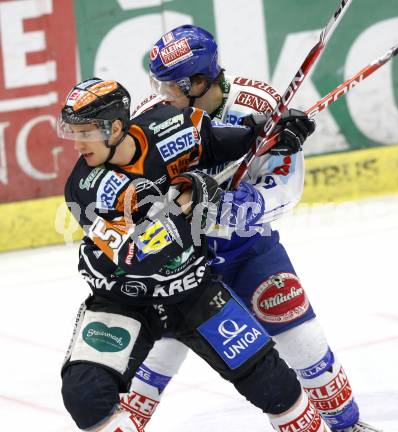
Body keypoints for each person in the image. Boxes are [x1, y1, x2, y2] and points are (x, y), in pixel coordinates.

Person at [119, 25, 382, 432]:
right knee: (153, 363)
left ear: (200, 81)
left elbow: (285, 187)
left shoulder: (262, 106)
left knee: (305, 343)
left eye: (171, 85)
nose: (161, 92)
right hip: (179, 262)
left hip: (246, 250)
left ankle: (347, 426)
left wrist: (249, 204)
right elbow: (128, 181)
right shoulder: (154, 116)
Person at [58, 77, 329, 431]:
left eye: (86, 133)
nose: (77, 145)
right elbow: (135, 256)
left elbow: (217, 145)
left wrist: (271, 133)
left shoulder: (168, 127)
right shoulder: (86, 188)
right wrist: (190, 206)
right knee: (85, 394)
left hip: (191, 289)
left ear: (117, 128)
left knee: (275, 385)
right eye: (73, 133)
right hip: (124, 298)